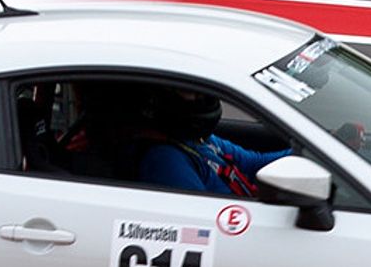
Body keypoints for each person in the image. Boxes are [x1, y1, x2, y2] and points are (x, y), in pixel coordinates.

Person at [123, 84, 290, 199]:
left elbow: (253, 164)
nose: (201, 95)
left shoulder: (198, 139)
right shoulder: (165, 159)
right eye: (189, 90)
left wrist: (307, 155)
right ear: (160, 96)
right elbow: (200, 214)